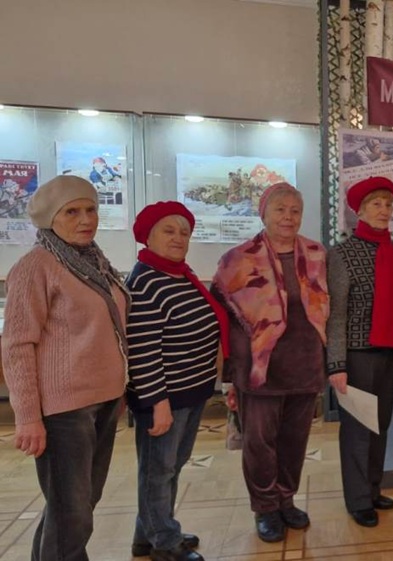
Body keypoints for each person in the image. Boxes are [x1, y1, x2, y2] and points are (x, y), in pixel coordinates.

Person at [2, 175, 130, 560]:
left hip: (104, 399)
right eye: (72, 211)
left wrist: (120, 387)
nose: (85, 219)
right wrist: (28, 417)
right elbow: (17, 345)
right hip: (64, 410)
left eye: (91, 209)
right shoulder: (36, 266)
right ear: (50, 218)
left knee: (76, 505)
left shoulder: (95, 262)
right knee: (72, 513)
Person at [212, 182, 329, 542]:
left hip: (304, 365)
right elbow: (223, 320)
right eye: (280, 209)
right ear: (263, 213)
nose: (288, 217)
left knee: (295, 440)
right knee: (259, 443)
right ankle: (265, 507)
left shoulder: (316, 254)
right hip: (259, 371)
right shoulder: (237, 259)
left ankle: (286, 500)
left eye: (295, 210)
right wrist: (231, 372)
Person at [126, 202, 229, 561]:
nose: (178, 238)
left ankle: (149, 533)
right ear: (148, 236)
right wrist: (158, 403)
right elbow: (142, 350)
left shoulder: (178, 274)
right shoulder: (145, 282)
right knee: (158, 471)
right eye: (168, 231)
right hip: (164, 398)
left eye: (184, 232)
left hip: (190, 391)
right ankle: (164, 543)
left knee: (171, 466)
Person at [326, 177, 393, 528]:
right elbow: (336, 313)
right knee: (358, 429)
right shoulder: (342, 254)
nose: (384, 210)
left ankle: (373, 489)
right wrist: (336, 363)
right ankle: (358, 499)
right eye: (376, 204)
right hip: (357, 354)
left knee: (380, 426)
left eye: (388, 204)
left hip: (388, 352)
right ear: (359, 211)